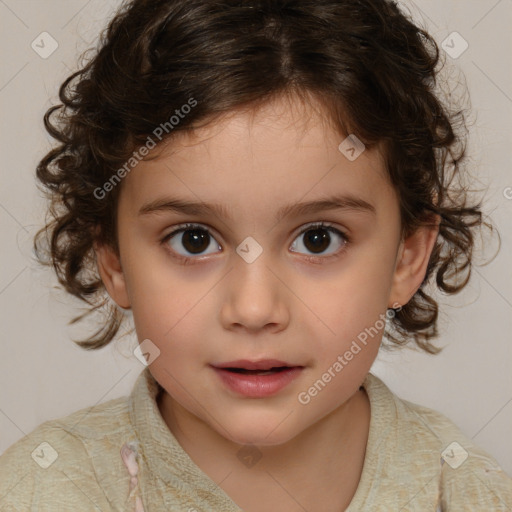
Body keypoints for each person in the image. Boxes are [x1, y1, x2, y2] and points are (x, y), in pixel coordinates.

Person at [1, 0, 511, 510]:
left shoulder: (472, 495)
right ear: (113, 260)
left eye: (318, 239)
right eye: (194, 240)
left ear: (406, 258)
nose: (254, 309)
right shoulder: (35, 493)